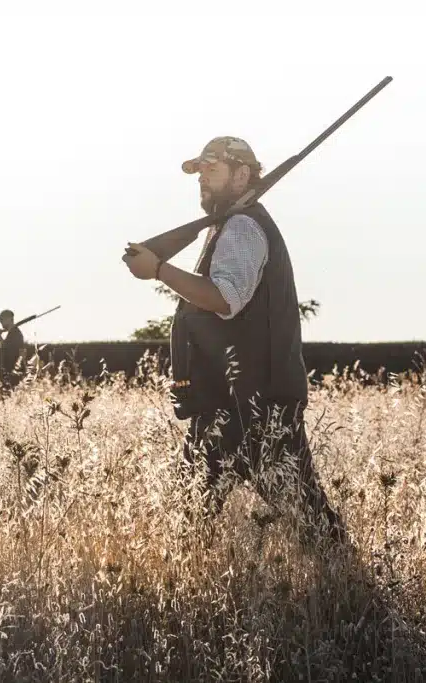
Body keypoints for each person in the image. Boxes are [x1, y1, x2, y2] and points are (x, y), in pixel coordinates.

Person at [122, 136, 347, 546]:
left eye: (213, 170)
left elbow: (224, 299)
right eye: (200, 172)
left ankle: (346, 582)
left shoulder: (243, 227)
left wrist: (159, 269)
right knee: (194, 521)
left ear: (243, 175)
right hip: (232, 402)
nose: (202, 179)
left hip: (252, 407)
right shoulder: (229, 225)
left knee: (304, 524)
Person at [0, 309, 25, 390]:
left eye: (2, 319)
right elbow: (4, 347)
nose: (0, 322)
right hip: (10, 373)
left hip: (13, 374)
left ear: (9, 319)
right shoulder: (12, 333)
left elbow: (4, 347)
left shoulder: (15, 333)